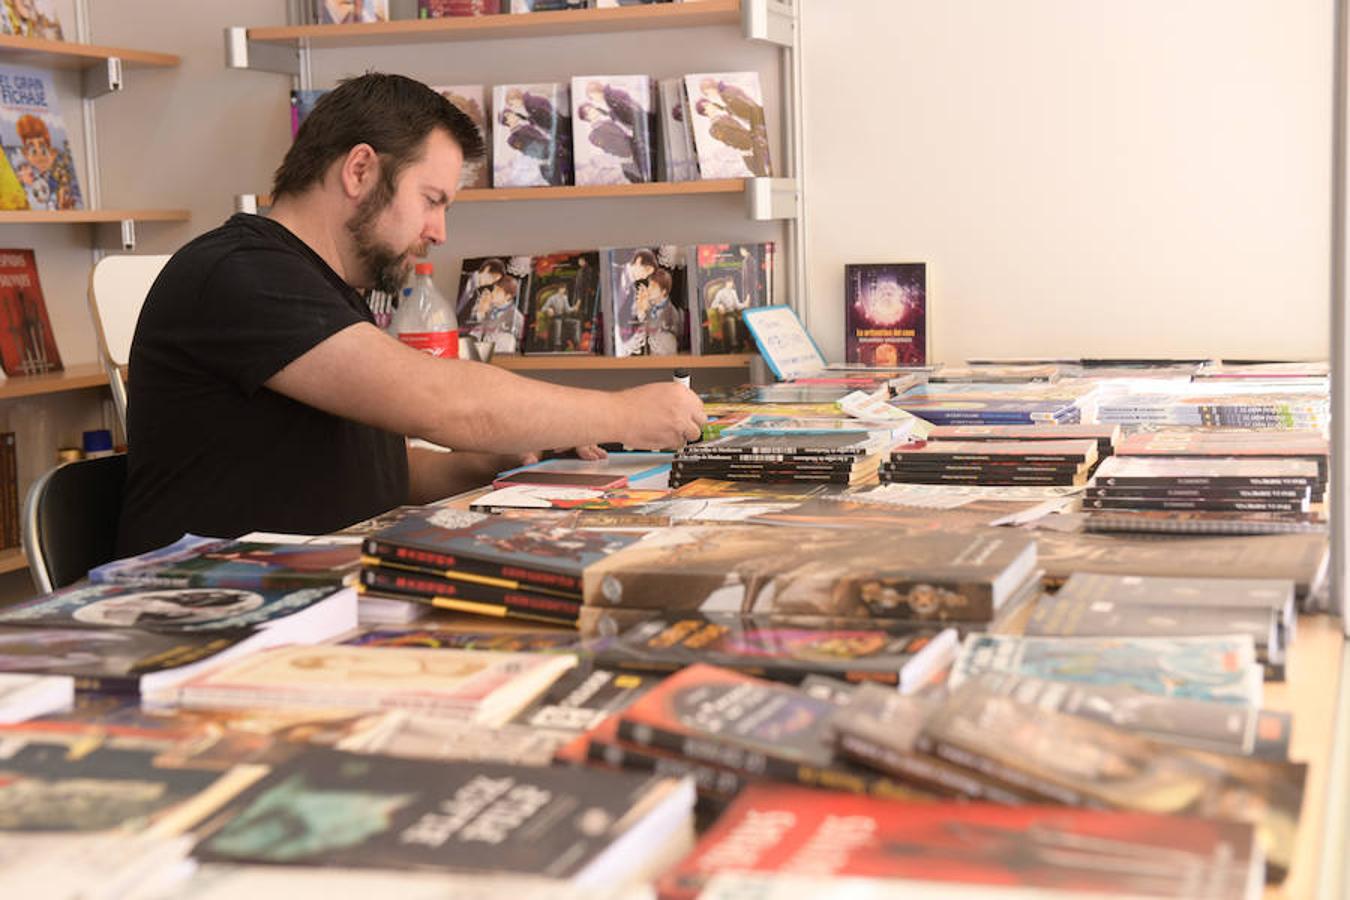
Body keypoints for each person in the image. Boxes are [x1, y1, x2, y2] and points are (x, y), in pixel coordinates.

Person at [117, 73, 704, 556]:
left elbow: (366, 466)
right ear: (360, 170)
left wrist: (492, 462)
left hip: (309, 590)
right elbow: (446, 405)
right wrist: (621, 413)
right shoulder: (239, 274)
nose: (439, 232)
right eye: (431, 200)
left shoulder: (320, 284)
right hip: (210, 612)